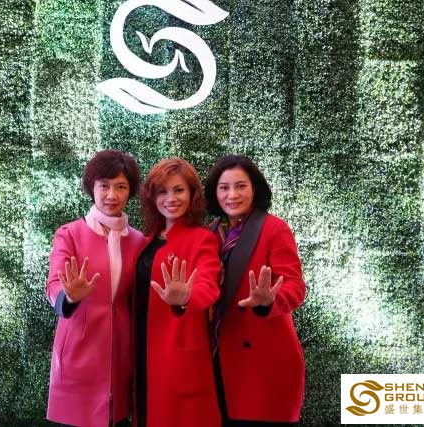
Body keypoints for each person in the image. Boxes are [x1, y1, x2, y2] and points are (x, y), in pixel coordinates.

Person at [45, 150, 146, 427]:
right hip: (80, 344)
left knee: (116, 418)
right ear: (92, 188)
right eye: (104, 186)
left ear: (130, 191)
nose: (111, 195)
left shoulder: (139, 241)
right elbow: (54, 284)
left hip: (121, 349)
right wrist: (69, 296)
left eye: (121, 187)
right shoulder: (70, 233)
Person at [204, 155, 306, 426]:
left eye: (241, 186)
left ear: (255, 189)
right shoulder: (212, 232)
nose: (232, 195)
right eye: (224, 187)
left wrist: (268, 301)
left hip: (264, 360)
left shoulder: (274, 229)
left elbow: (295, 286)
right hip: (221, 358)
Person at [134, 158, 221, 427]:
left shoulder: (202, 239)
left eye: (179, 190)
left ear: (192, 194)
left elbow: (208, 286)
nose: (171, 198)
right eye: (163, 191)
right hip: (141, 350)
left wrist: (186, 299)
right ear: (152, 197)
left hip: (176, 351)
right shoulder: (146, 239)